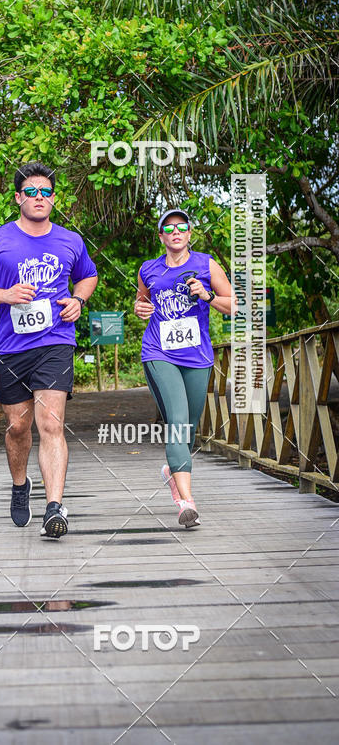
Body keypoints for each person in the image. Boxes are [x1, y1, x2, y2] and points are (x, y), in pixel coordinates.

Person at [0, 161, 98, 538]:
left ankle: (55, 507)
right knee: (18, 426)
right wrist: (4, 294)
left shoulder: (70, 240)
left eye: (46, 192)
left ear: (54, 199)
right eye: (32, 192)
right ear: (19, 197)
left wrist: (79, 301)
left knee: (50, 424)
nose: (40, 197)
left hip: (56, 342)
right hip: (11, 346)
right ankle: (21, 486)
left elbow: (88, 275)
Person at [134, 209, 237, 527]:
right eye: (169, 227)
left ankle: (171, 473)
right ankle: (186, 502)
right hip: (159, 353)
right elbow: (141, 303)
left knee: (189, 427)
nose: (176, 231)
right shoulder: (148, 269)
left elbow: (235, 305)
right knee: (177, 421)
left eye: (182, 227)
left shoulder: (206, 265)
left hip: (197, 357)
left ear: (190, 234)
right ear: (161, 236)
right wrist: (140, 308)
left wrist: (206, 296)